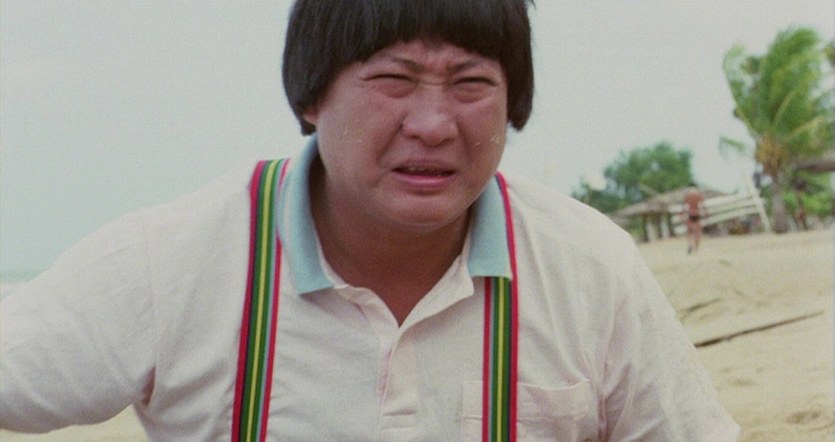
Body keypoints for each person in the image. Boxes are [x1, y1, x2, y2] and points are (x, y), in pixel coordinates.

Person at [1, 1, 740, 440]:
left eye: (471, 84)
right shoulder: (174, 261)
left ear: (514, 104)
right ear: (310, 96)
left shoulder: (588, 268)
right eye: (392, 79)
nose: (433, 124)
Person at [682, 185, 708, 253]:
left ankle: (690, 244)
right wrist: (705, 215)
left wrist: (683, 215)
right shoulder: (699, 196)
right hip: (697, 214)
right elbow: (702, 206)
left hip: (690, 214)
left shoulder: (687, 196)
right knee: (697, 231)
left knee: (689, 231)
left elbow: (685, 207)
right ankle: (696, 248)